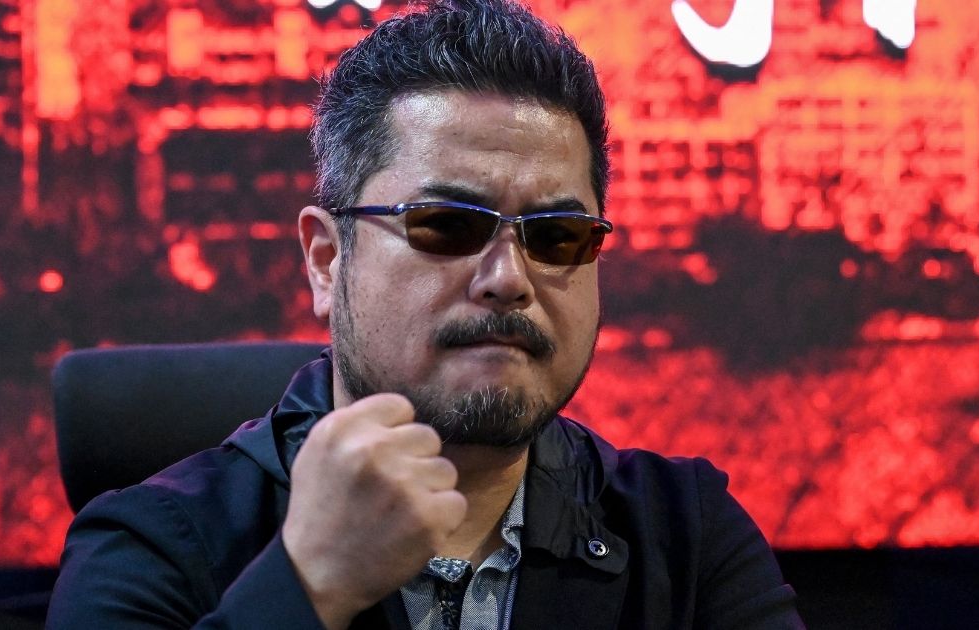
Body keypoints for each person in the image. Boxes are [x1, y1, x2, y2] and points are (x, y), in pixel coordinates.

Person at [47, 0, 804, 628]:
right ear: (326, 259)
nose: (509, 280)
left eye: (556, 237)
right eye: (447, 226)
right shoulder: (152, 545)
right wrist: (307, 586)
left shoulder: (686, 535)